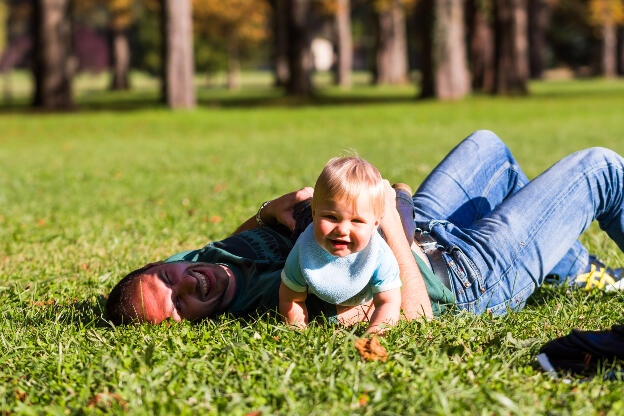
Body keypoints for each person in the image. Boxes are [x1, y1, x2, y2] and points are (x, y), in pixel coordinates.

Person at [105, 130, 624, 326]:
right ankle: (564, 265)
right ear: (183, 327)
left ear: (164, 264)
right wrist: (388, 221)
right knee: (601, 167)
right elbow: (414, 313)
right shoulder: (292, 298)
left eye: (169, 280)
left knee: (490, 150)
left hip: (429, 226)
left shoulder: (200, 265)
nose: (187, 287)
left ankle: (578, 269)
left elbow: (230, 243)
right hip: (469, 276)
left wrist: (270, 211)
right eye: (178, 308)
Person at [279, 156, 403, 333]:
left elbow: (388, 301)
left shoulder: (379, 254)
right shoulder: (303, 249)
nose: (342, 229)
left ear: (375, 224)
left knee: (406, 225)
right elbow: (291, 298)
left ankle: (402, 197)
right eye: (331, 217)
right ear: (314, 212)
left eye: (357, 220)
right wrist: (298, 329)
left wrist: (374, 334)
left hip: (397, 228)